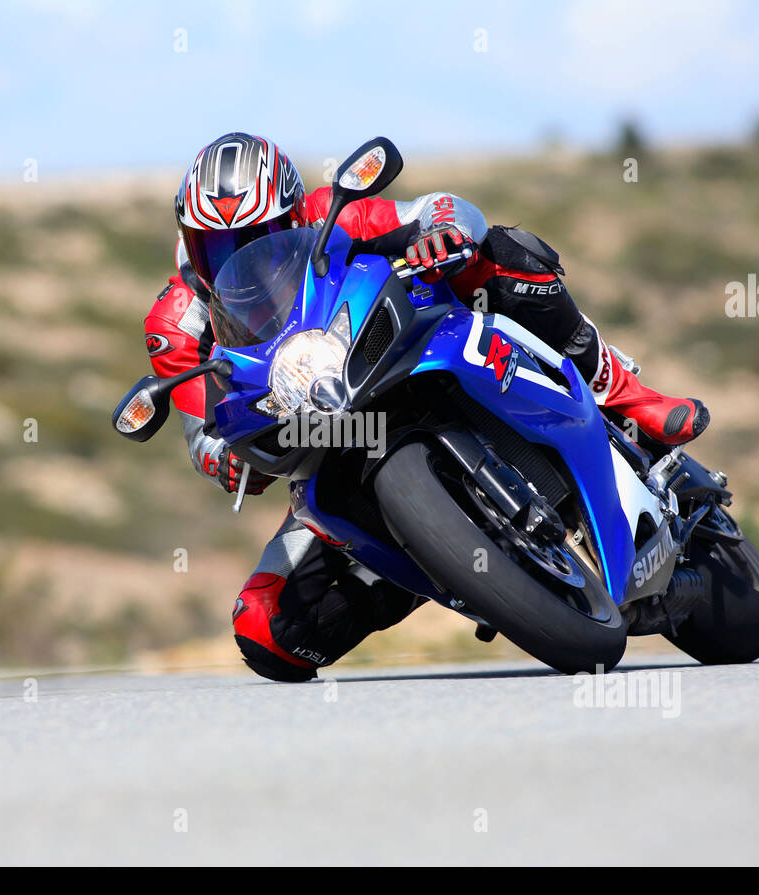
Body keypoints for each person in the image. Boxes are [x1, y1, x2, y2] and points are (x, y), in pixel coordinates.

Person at [143, 132, 710, 682]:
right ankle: (442, 565)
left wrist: (444, 233)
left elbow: (440, 208)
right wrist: (222, 456)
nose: (241, 254)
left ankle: (626, 396)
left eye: (260, 232)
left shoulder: (329, 213)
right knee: (267, 633)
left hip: (396, 352)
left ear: (291, 216)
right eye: (217, 245)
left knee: (503, 253)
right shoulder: (177, 321)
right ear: (192, 245)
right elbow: (203, 429)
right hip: (323, 442)